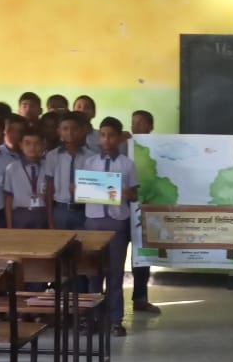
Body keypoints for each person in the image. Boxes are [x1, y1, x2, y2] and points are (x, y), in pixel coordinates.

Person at [83, 117, 139, 338]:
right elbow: (82, 189)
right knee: (93, 272)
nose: (107, 139)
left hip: (116, 221)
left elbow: (135, 195)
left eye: (112, 135)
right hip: (93, 221)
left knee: (115, 273)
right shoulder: (89, 163)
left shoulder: (127, 164)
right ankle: (93, 319)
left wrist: (127, 193)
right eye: (103, 135)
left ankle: (116, 320)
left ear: (119, 138)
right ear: (99, 138)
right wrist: (78, 189)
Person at [129, 109, 162, 314]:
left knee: (141, 258)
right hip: (122, 210)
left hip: (145, 209)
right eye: (133, 122)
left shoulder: (156, 149)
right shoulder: (124, 145)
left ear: (150, 127)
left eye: (141, 123)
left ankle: (140, 299)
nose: (136, 126)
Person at [45, 111, 88, 232]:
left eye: (74, 128)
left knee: (83, 243)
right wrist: (50, 221)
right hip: (60, 209)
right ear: (59, 131)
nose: (70, 132)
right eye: (65, 129)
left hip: (84, 210)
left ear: (82, 130)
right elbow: (49, 190)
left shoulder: (91, 157)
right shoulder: (52, 156)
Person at [3, 127, 49, 229]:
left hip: (42, 213)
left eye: (37, 143)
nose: (32, 147)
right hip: (21, 213)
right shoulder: (12, 168)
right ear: (20, 145)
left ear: (43, 145)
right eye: (27, 143)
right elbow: (8, 198)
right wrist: (9, 226)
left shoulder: (48, 166)